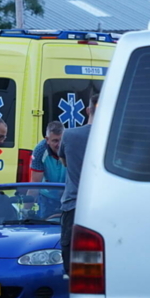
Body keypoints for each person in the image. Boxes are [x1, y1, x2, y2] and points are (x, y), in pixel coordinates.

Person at [58, 94, 97, 280]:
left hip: (73, 206)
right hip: (101, 207)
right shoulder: (115, 136)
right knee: (91, 268)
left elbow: (64, 162)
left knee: (72, 269)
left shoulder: (70, 135)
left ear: (88, 110)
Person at [30, 121, 66, 218]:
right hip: (47, 197)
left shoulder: (71, 147)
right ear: (47, 140)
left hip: (68, 196)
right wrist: (26, 210)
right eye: (55, 141)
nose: (59, 144)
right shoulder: (40, 150)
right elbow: (35, 184)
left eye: (61, 140)